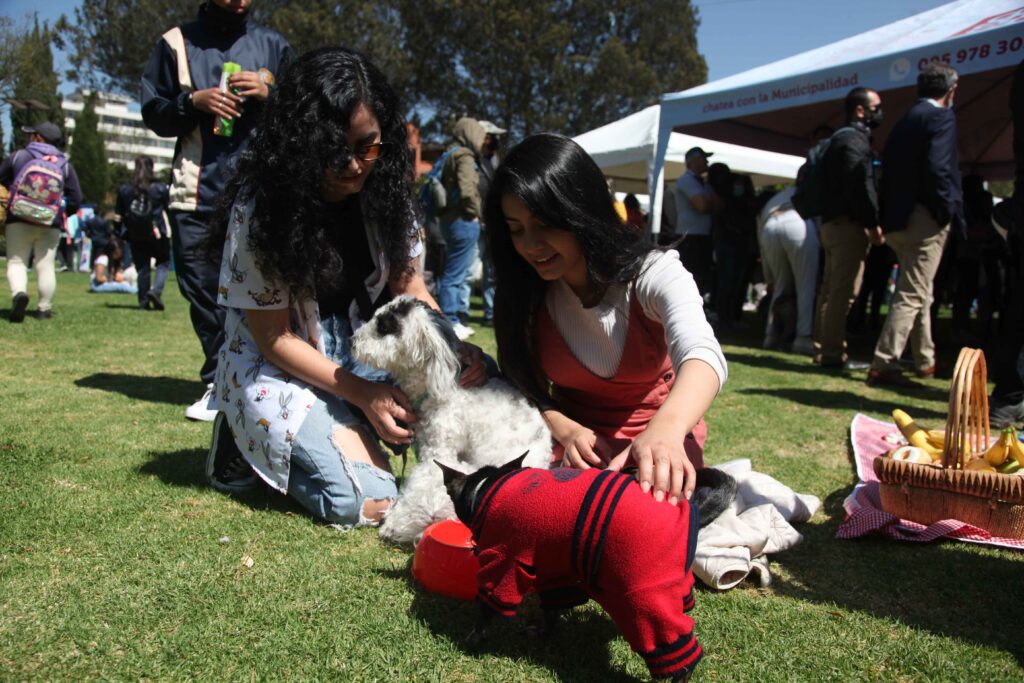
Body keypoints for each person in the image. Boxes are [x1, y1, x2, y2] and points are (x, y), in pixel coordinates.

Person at [204, 47, 486, 527]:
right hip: (281, 365)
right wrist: (363, 395)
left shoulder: (387, 193)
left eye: (367, 148)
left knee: (479, 384)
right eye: (334, 152)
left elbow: (411, 287)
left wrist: (451, 348)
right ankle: (239, 435)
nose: (354, 166)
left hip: (360, 351)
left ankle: (342, 432)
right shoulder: (261, 208)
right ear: (301, 144)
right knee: (368, 502)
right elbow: (274, 339)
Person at [486, 133, 727, 505]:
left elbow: (702, 354)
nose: (530, 245)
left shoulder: (654, 272)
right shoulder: (526, 290)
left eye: (545, 224)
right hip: (570, 448)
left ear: (581, 211)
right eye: (516, 229)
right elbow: (523, 383)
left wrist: (665, 430)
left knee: (634, 518)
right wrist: (565, 429)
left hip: (659, 444)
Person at [141, 0, 293, 420]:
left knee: (263, 291)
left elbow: (304, 114)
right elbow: (153, 112)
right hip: (196, 191)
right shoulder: (175, 43)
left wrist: (270, 94)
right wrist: (192, 102)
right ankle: (220, 380)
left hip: (260, 190)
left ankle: (259, 380)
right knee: (202, 289)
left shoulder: (274, 45)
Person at [867, 63, 963, 388]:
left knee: (920, 289)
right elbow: (939, 168)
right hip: (924, 218)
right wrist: (945, 211)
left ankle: (925, 360)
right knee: (912, 292)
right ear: (951, 89)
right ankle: (884, 363)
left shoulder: (904, 120)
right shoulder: (941, 117)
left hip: (898, 220)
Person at [813, 87, 884, 370]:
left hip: (831, 224)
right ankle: (832, 352)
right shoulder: (853, 140)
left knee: (830, 291)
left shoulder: (837, 140)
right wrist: (872, 223)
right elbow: (860, 185)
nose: (879, 113)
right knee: (842, 292)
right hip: (847, 226)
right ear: (860, 110)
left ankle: (823, 348)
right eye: (875, 107)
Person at [1, 121, 82, 322]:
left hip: (18, 218)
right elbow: (76, 198)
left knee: (17, 261)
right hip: (49, 222)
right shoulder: (64, 165)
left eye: (32, 135)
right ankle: (44, 309)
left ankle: (19, 294)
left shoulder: (19, 156)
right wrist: (61, 213)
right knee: (46, 265)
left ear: (38, 138)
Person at [436, 117, 486, 340]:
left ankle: (452, 318)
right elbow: (467, 191)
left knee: (452, 272)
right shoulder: (464, 156)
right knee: (455, 275)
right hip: (463, 221)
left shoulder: (448, 153)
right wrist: (477, 214)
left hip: (447, 220)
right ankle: (451, 321)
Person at [757, 184, 820, 354]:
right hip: (799, 224)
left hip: (770, 226)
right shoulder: (812, 190)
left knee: (779, 287)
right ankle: (803, 338)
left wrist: (768, 277)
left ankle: (771, 335)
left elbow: (760, 235)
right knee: (806, 287)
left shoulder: (779, 196)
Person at [116, 156, 172, 311]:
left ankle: (143, 301)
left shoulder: (125, 189)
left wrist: (118, 232)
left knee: (142, 267)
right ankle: (156, 291)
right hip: (157, 232)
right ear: (152, 168)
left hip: (135, 233)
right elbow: (169, 209)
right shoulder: (160, 188)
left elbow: (119, 214)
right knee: (163, 262)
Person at [673, 147, 719, 299]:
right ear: (694, 161)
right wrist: (711, 202)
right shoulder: (686, 180)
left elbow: (718, 205)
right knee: (692, 278)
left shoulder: (703, 183)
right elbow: (702, 206)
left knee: (702, 277)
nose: (707, 162)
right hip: (691, 238)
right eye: (704, 158)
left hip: (701, 236)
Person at [477, 120, 505, 326]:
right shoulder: (473, 160)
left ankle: (492, 312)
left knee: (492, 268)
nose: (494, 140)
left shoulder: (496, 161)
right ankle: (460, 314)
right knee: (469, 269)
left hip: (494, 222)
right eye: (490, 136)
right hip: (476, 221)